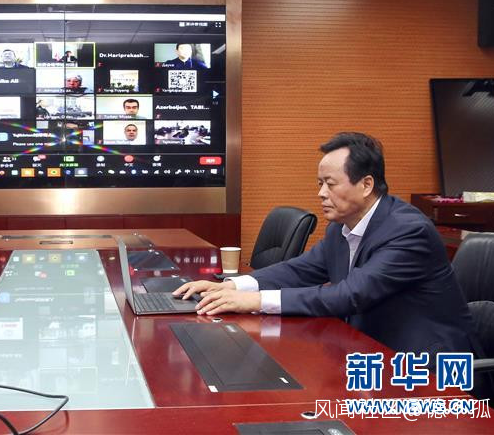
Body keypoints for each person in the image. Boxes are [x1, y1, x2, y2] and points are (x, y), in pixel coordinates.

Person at [173, 132, 475, 357]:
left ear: (366, 184)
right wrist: (232, 286)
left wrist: (255, 301)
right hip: (372, 350)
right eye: (320, 184)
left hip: (426, 365)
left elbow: (351, 294)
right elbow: (300, 269)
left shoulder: (408, 231)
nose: (321, 193)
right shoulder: (340, 228)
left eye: (330, 184)